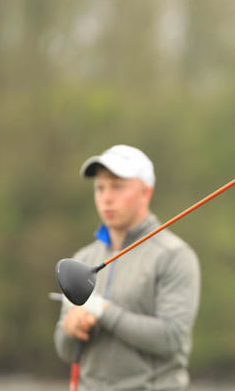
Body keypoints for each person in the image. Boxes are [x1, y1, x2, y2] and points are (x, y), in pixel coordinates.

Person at [54, 144, 201, 391]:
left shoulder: (174, 256)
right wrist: (70, 328)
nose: (106, 198)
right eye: (100, 188)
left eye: (117, 186)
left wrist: (101, 310)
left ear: (146, 192)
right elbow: (65, 350)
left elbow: (172, 338)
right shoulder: (83, 258)